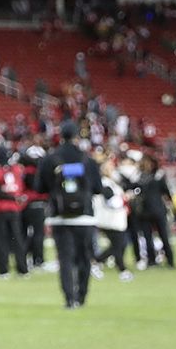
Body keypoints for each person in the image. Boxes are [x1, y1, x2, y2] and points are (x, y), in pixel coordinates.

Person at [38, 121, 102, 310]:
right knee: (84, 257)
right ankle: (82, 296)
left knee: (65, 259)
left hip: (59, 216)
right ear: (77, 136)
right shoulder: (87, 160)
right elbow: (98, 188)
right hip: (85, 216)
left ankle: (69, 298)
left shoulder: (50, 159)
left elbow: (39, 187)